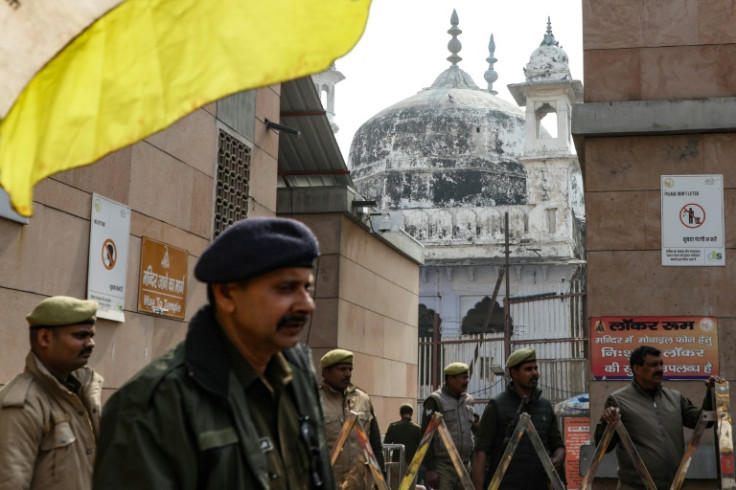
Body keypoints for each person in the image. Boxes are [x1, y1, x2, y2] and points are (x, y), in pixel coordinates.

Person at [93, 217, 335, 489]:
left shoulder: (298, 376)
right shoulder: (151, 407)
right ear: (227, 294)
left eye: (307, 287)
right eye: (286, 288)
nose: (307, 304)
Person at [0, 296, 102, 490]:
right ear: (44, 338)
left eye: (91, 336)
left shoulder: (83, 392)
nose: (90, 343)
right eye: (80, 336)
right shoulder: (23, 405)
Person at [594, 345, 723, 490]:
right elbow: (603, 446)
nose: (660, 369)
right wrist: (608, 421)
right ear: (636, 369)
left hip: (674, 486)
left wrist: (711, 393)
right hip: (635, 486)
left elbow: (702, 422)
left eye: (661, 364)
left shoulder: (675, 398)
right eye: (653, 365)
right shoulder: (619, 401)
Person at [471, 348, 565, 490]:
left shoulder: (545, 406)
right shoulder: (496, 406)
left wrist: (557, 459)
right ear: (514, 373)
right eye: (528, 369)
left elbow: (558, 445)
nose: (534, 373)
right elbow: (481, 452)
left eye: (535, 368)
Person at [320, 348, 385, 489]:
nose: (348, 374)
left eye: (350, 369)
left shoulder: (363, 399)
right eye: (342, 369)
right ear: (325, 373)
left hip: (360, 483)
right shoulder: (314, 401)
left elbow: (374, 444)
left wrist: (381, 479)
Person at [421, 362, 475, 490]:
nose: (466, 381)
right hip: (444, 467)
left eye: (467, 377)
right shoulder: (435, 400)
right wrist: (430, 468)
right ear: (450, 378)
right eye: (463, 377)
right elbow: (425, 437)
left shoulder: (469, 400)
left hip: (465, 465)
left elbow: (472, 430)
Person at [384, 403, 424, 487]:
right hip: (411, 465)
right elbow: (421, 447)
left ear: (400, 413)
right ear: (411, 414)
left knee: (396, 487)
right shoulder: (417, 428)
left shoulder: (393, 427)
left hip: (396, 464)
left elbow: (386, 444)